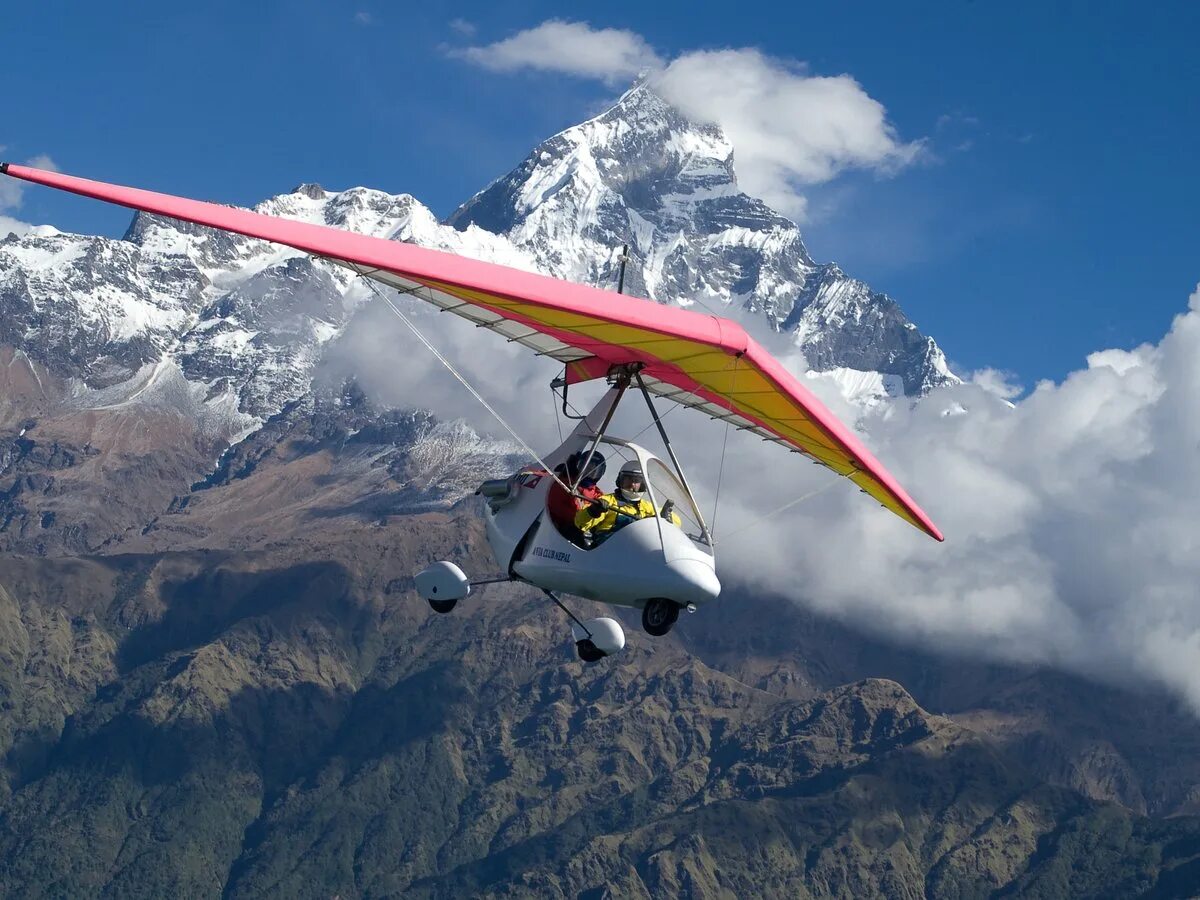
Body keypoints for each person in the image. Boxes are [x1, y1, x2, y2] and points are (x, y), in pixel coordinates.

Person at [574, 460, 681, 541]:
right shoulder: (607, 501)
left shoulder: (647, 507)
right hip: (607, 548)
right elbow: (580, 523)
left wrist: (663, 517)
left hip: (634, 551)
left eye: (637, 481)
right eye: (628, 480)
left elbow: (677, 520)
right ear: (620, 481)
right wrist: (593, 511)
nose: (632, 484)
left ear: (644, 484)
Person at [547, 450, 606, 539]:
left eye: (594, 470)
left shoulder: (598, 495)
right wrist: (583, 515)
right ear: (578, 466)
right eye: (585, 467)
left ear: (600, 473)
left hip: (585, 533)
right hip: (558, 530)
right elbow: (556, 506)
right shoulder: (564, 484)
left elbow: (604, 515)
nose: (589, 472)